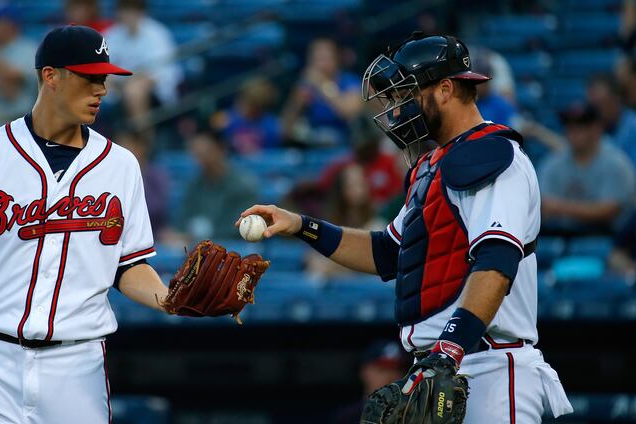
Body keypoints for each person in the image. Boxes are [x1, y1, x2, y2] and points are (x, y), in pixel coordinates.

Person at [239, 32, 573, 421]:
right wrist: (300, 225)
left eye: (405, 95)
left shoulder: (492, 155)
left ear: (446, 89)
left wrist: (447, 352)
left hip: (488, 366)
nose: (397, 110)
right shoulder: (432, 166)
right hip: (440, 367)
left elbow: (496, 262)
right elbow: (387, 253)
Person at [0, 25, 189, 422]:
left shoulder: (121, 165)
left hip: (77, 367)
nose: (102, 89)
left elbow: (128, 266)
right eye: (90, 77)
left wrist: (168, 300)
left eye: (104, 79)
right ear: (51, 76)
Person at [539, 102, 635, 236]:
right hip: (559, 235)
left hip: (607, 238)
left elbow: (610, 210)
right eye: (569, 126)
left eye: (581, 126)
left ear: (597, 129)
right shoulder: (553, 162)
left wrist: (559, 207)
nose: (573, 132)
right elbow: (543, 207)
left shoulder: (616, 162)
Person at [103, 0, 182, 131]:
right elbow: (103, 67)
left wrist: (130, 80)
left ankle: (142, 144)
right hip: (117, 87)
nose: (128, 15)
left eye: (132, 10)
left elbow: (163, 74)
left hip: (156, 92)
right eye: (125, 10)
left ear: (141, 12)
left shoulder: (157, 33)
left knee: (135, 90)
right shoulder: (112, 35)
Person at [172, 131, 259, 240]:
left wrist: (199, 237)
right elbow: (182, 221)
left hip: (232, 248)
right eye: (197, 154)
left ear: (221, 149)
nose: (201, 159)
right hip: (198, 246)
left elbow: (240, 227)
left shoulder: (243, 185)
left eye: (206, 152)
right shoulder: (193, 184)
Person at [281, 38, 363, 147]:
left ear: (336, 58)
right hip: (314, 146)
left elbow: (349, 111)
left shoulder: (350, 81)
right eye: (315, 59)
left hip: (347, 145)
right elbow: (285, 129)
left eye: (325, 58)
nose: (320, 64)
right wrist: (297, 103)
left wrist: (321, 84)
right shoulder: (306, 86)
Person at [331, 340, 409, 424]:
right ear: (365, 372)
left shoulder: (415, 416)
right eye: (382, 370)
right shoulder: (347, 419)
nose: (391, 376)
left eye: (397, 370)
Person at [114, 131, 170, 239]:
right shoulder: (112, 176)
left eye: (128, 145)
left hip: (154, 233)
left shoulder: (156, 175)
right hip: (120, 234)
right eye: (119, 146)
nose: (122, 151)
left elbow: (156, 208)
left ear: (141, 147)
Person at [211, 77, 281, 155]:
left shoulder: (271, 125)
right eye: (244, 100)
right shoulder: (226, 118)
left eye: (253, 105)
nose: (245, 107)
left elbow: (270, 152)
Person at [586, 74, 636, 167]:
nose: (595, 111)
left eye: (599, 103)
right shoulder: (590, 129)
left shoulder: (633, 128)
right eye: (592, 105)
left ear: (616, 99)